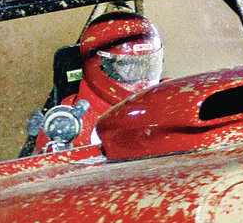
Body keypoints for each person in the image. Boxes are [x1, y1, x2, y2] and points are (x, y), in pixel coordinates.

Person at [21, 10, 163, 156]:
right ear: (99, 65)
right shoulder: (66, 123)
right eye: (125, 63)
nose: (137, 73)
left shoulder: (167, 97)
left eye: (145, 63)